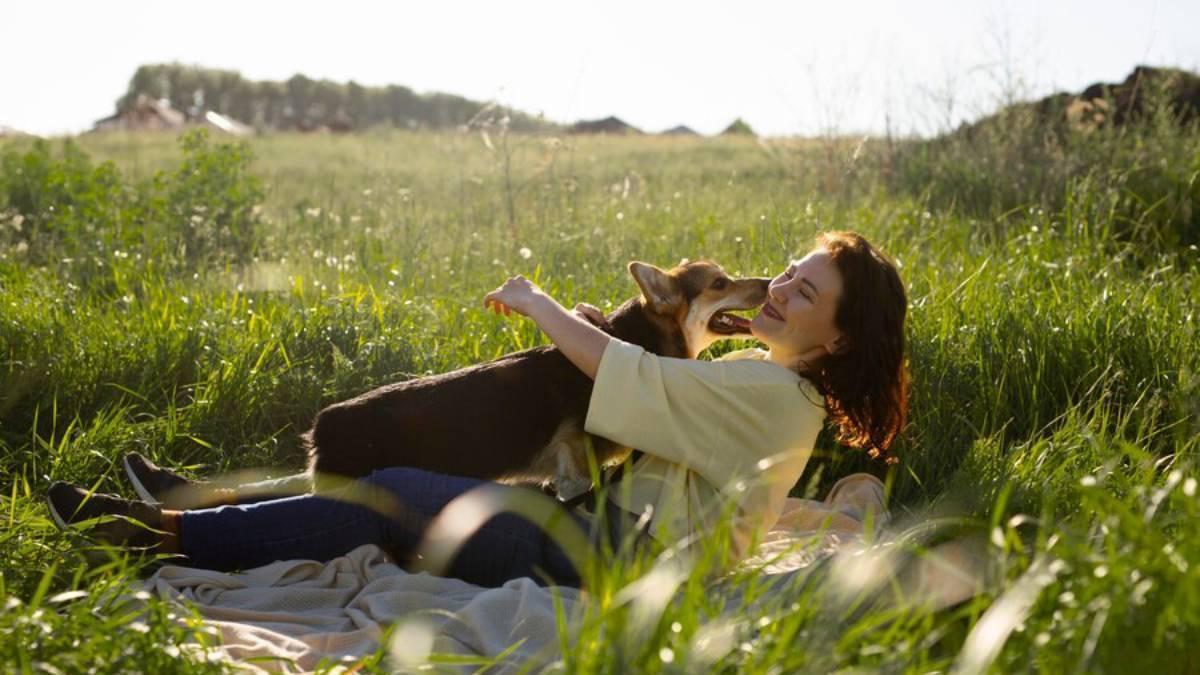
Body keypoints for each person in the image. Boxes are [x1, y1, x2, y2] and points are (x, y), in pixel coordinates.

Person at [47, 231, 909, 588]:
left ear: (837, 338)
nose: (784, 286)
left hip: (611, 559)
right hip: (599, 528)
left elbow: (630, 373)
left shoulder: (771, 395)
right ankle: (187, 506)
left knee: (391, 496)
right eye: (790, 272)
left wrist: (539, 303)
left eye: (808, 290)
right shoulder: (766, 383)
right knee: (396, 479)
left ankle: (158, 536)